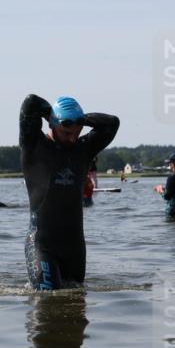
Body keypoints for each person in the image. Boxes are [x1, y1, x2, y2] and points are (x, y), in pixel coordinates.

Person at [20, 94, 120, 290]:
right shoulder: (34, 146)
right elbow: (30, 102)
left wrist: (81, 118)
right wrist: (54, 114)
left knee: (75, 306)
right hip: (42, 245)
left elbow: (112, 123)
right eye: (66, 132)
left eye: (77, 131)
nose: (72, 138)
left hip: (74, 248)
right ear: (52, 124)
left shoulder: (83, 149)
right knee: (48, 303)